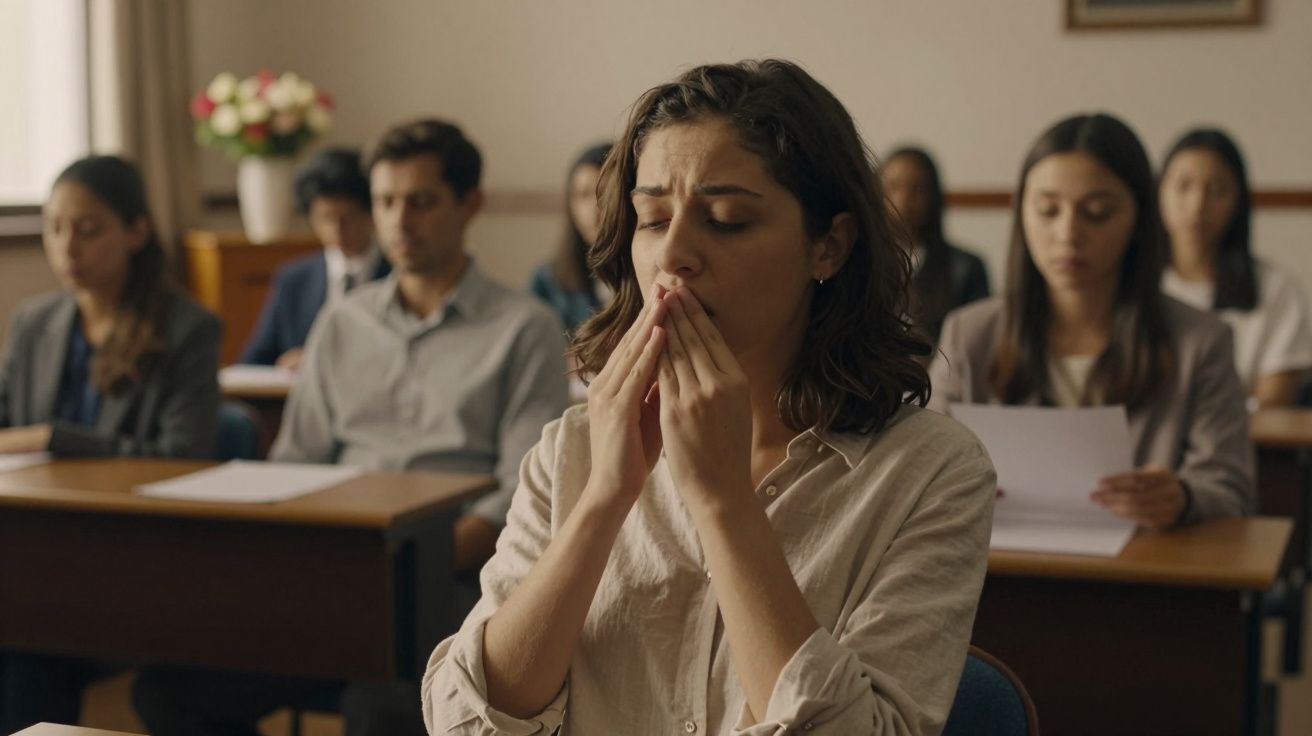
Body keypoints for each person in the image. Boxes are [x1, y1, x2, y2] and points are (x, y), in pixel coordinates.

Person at [423, 60, 995, 735]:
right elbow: (463, 720)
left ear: (829, 247)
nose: (675, 255)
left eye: (725, 220)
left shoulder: (932, 472)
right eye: (653, 217)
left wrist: (724, 505)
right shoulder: (572, 448)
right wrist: (604, 499)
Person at [132, 118, 570, 736]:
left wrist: (413, 559)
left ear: (470, 205)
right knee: (169, 690)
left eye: (421, 202)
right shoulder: (342, 322)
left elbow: (519, 491)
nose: (399, 221)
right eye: (386, 202)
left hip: (442, 580)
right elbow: (296, 461)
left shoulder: (524, 327)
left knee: (381, 709)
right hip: (328, 578)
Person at [929, 113, 1253, 528]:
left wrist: (1184, 496)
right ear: (1021, 214)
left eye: (1097, 212)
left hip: (1143, 578)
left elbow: (1231, 487)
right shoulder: (969, 333)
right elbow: (924, 466)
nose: (1067, 233)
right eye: (1047, 210)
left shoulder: (1201, 341)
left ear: (1138, 219)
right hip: (1000, 574)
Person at [0, 154, 220, 731]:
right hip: (34, 546)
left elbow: (182, 457)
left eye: (88, 228)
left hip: (132, 559)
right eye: (54, 227)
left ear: (136, 231)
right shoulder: (34, 322)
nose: (67, 246)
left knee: (24, 648)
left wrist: (54, 438)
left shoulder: (186, 328)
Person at [1158, 128, 1312, 407]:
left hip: (1246, 446)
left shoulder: (1276, 288)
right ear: (1159, 192)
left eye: (1216, 189)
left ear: (1238, 200)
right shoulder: (1130, 282)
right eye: (1183, 186)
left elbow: (1274, 401)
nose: (1197, 205)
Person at [239, 147, 390, 369]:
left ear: (371, 212)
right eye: (325, 218)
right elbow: (253, 360)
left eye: (347, 218)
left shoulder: (398, 273)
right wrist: (286, 362)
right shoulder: (294, 278)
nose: (337, 230)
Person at [882, 146, 990, 342]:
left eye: (917, 189)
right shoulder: (861, 261)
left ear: (933, 197)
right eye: (893, 187)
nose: (903, 200)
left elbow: (980, 340)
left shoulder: (965, 267)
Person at [528, 142, 613, 333]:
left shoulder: (649, 274)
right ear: (570, 203)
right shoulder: (547, 281)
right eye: (583, 195)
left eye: (606, 194)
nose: (595, 209)